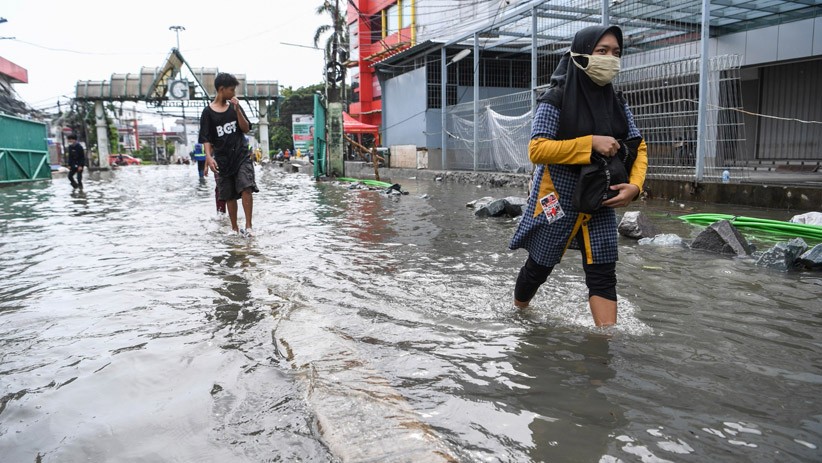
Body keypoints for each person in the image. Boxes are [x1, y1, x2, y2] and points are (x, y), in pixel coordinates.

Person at [509, 25, 648, 327]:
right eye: (602, 52)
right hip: (555, 197)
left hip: (600, 197)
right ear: (581, 55)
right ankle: (518, 313)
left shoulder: (618, 102)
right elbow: (537, 148)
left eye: (616, 53)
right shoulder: (555, 98)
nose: (610, 59)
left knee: (603, 270)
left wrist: (635, 187)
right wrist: (591, 143)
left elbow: (639, 145)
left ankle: (606, 343)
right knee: (540, 265)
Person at [199, 72, 257, 236]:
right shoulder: (207, 113)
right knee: (229, 195)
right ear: (221, 89)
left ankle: (249, 226)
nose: (234, 94)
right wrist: (208, 158)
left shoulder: (234, 107)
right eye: (231, 90)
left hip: (241, 155)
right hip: (223, 160)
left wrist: (238, 110)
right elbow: (206, 138)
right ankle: (234, 228)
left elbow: (246, 128)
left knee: (246, 187)